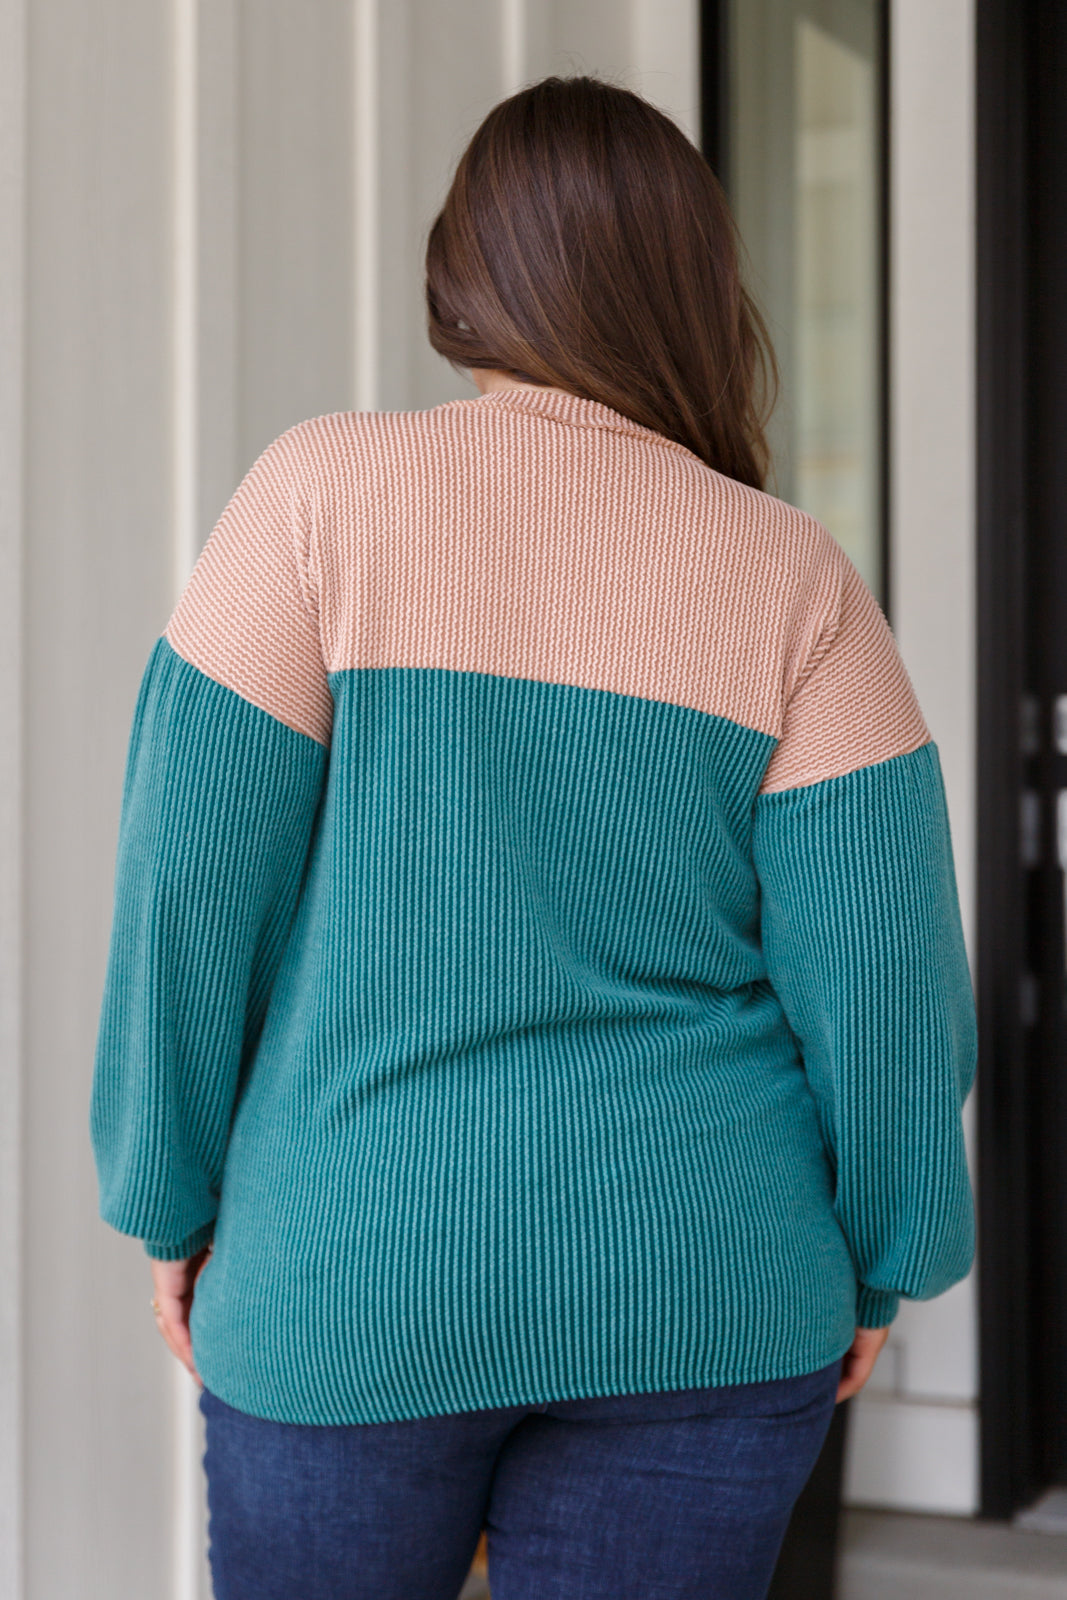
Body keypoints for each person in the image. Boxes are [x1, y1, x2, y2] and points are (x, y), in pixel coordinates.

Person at [89, 73, 976, 1600]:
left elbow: (182, 883)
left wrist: (166, 1198)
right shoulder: (797, 582)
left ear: (461, 278)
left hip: (347, 1283)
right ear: (707, 300)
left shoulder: (313, 501)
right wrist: (887, 1256)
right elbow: (889, 981)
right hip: (709, 1288)